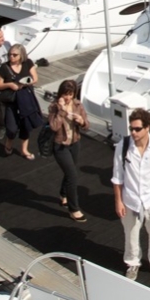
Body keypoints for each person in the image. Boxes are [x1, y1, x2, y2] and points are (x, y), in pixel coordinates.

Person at [112, 108, 150, 281]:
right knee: (130, 234)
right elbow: (117, 177)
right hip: (130, 199)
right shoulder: (122, 146)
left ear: (147, 127)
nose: (133, 132)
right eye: (131, 128)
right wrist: (118, 201)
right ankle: (133, 263)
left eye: (137, 129)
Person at [49, 79, 89, 222]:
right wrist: (61, 111)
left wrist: (81, 121)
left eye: (70, 94)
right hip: (60, 145)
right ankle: (74, 209)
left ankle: (63, 194)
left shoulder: (78, 105)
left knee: (70, 171)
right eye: (65, 94)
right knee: (72, 175)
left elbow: (87, 125)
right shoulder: (54, 107)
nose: (67, 97)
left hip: (75, 143)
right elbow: (54, 126)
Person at [0, 43, 43, 159]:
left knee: (26, 126)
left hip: (26, 99)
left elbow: (35, 78)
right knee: (11, 128)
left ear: (21, 56)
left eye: (14, 55)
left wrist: (26, 83)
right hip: (12, 101)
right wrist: (10, 84)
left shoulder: (27, 63)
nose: (11, 57)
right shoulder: (4, 67)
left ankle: (24, 150)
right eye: (9, 54)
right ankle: (9, 143)